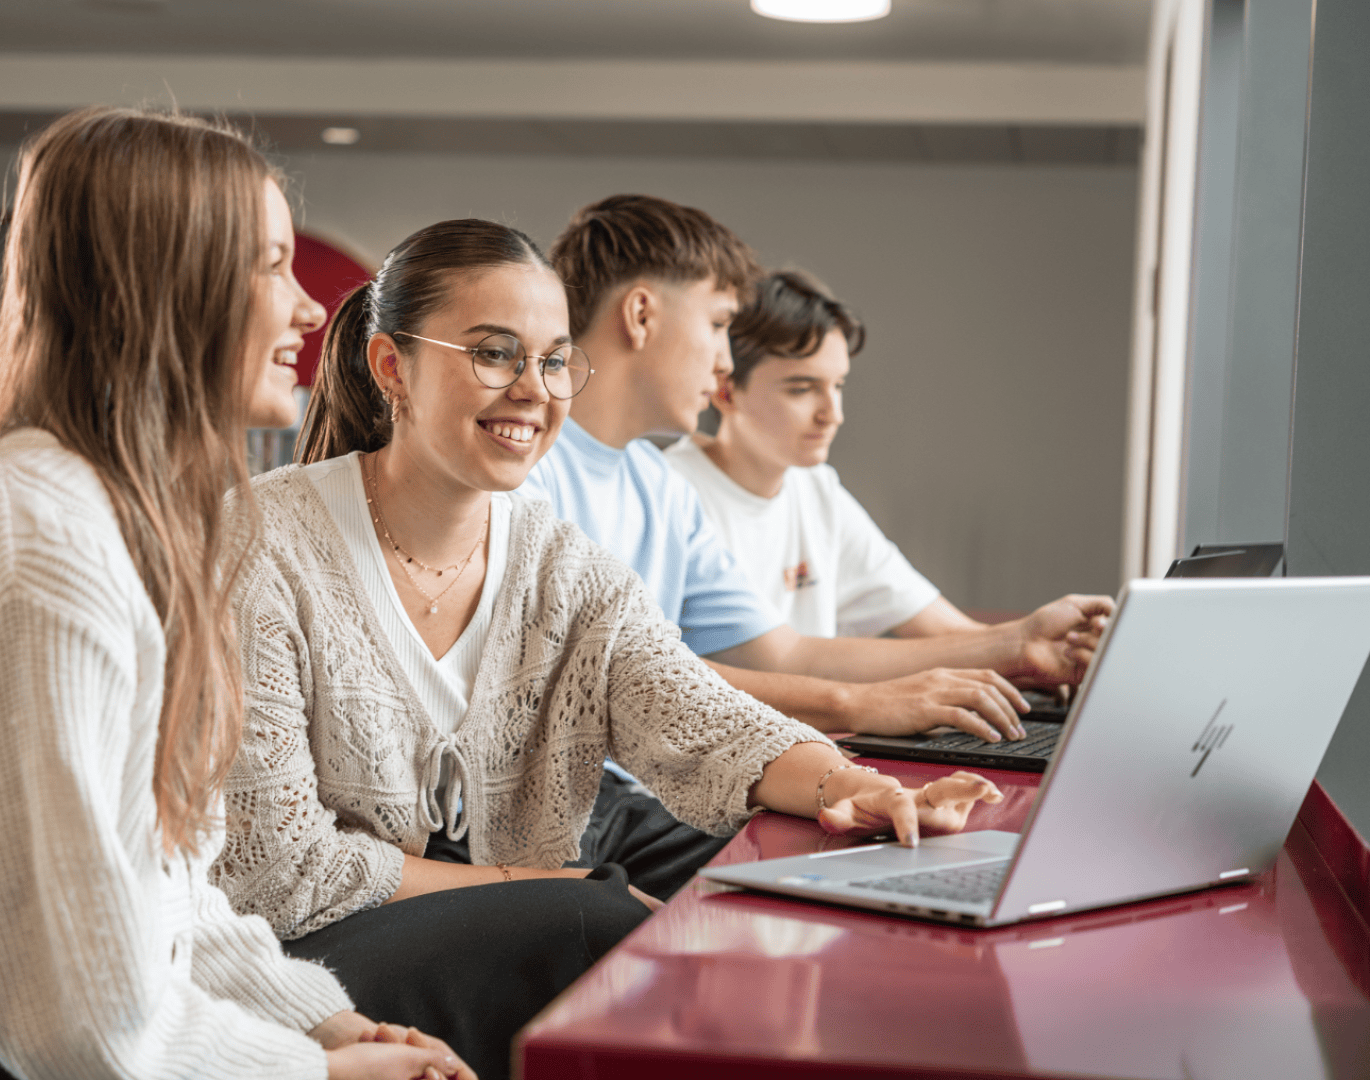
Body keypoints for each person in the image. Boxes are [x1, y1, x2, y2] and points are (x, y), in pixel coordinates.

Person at [211, 218, 1005, 1080]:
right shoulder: (262, 544)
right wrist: (541, 886)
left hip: (497, 921)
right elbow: (282, 873)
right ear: (391, 367)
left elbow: (698, 714)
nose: (533, 390)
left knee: (716, 892)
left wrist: (853, 787)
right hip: (294, 966)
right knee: (591, 921)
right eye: (495, 354)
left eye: (554, 361)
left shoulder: (559, 561)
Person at [0, 107, 467, 1080]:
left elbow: (165, 896)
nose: (309, 310)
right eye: (270, 266)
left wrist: (327, 1026)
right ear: (168, 288)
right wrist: (316, 1074)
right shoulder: (40, 560)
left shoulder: (119, 520)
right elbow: (77, 1026)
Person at [522, 194, 1114, 744]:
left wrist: (1018, 644)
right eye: (719, 324)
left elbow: (784, 655)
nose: (724, 360)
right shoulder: (524, 469)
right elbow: (609, 675)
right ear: (641, 314)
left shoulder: (659, 489)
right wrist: (856, 705)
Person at [664, 269, 988, 641]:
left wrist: (1028, 645)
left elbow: (940, 624)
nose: (833, 415)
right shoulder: (670, 493)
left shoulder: (816, 489)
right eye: (802, 389)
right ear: (725, 392)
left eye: (838, 386)